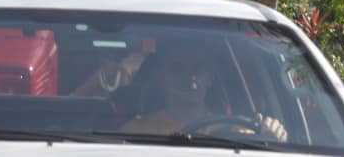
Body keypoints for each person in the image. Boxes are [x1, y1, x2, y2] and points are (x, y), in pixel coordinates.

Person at [121, 44, 287, 142]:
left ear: (210, 77)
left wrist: (274, 137)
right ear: (161, 78)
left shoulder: (240, 133)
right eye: (177, 69)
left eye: (198, 68)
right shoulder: (135, 132)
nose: (190, 78)